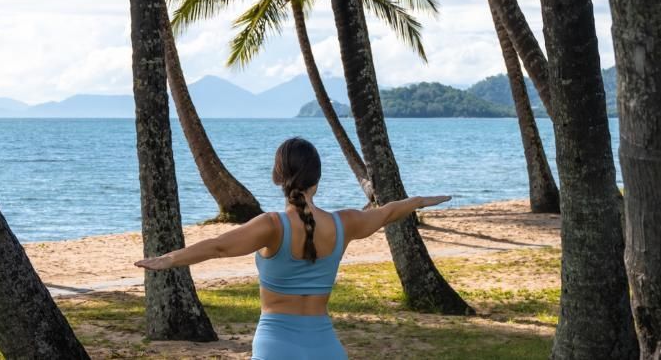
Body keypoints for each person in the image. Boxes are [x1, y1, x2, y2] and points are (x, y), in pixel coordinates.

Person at [135, 136, 451, 359]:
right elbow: (388, 211)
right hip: (325, 346)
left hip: (276, 345)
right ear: (317, 179)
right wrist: (420, 201)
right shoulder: (344, 223)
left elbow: (218, 247)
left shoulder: (272, 226)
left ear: (277, 177)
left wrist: (169, 259)